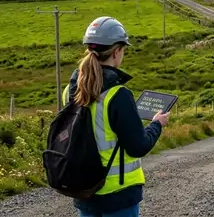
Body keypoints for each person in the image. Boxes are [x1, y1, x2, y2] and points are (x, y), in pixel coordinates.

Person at [61, 16, 169, 217]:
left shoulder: (70, 90)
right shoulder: (118, 95)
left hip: (84, 189)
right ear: (117, 51)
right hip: (118, 194)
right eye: (123, 49)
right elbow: (138, 146)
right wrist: (157, 124)